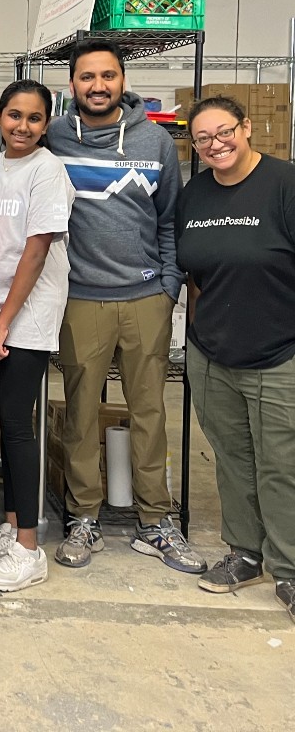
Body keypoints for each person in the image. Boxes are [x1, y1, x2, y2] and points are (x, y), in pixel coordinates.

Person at [46, 39, 206, 574]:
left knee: (150, 412)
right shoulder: (53, 138)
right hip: (79, 300)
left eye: (107, 76)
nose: (98, 86)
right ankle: (83, 516)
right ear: (72, 86)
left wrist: (167, 287)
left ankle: (155, 521)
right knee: (81, 415)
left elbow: (169, 220)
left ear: (122, 81)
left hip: (145, 298)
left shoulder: (155, 141)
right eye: (87, 77)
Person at [176, 95, 295, 623]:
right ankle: (246, 554)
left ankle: (289, 568)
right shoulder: (195, 195)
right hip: (212, 354)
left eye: (223, 132)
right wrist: (198, 334)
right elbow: (195, 274)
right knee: (232, 459)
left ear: (246, 128)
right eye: (203, 139)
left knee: (281, 465)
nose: (215, 145)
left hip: (279, 353)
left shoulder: (284, 184)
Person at [0, 81, 75, 592]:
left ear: (46, 123)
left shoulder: (48, 171)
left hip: (27, 315)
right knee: (9, 422)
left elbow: (34, 252)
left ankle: (29, 549)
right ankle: (11, 525)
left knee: (16, 425)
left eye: (34, 118)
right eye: (14, 115)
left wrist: (4, 321)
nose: (23, 126)